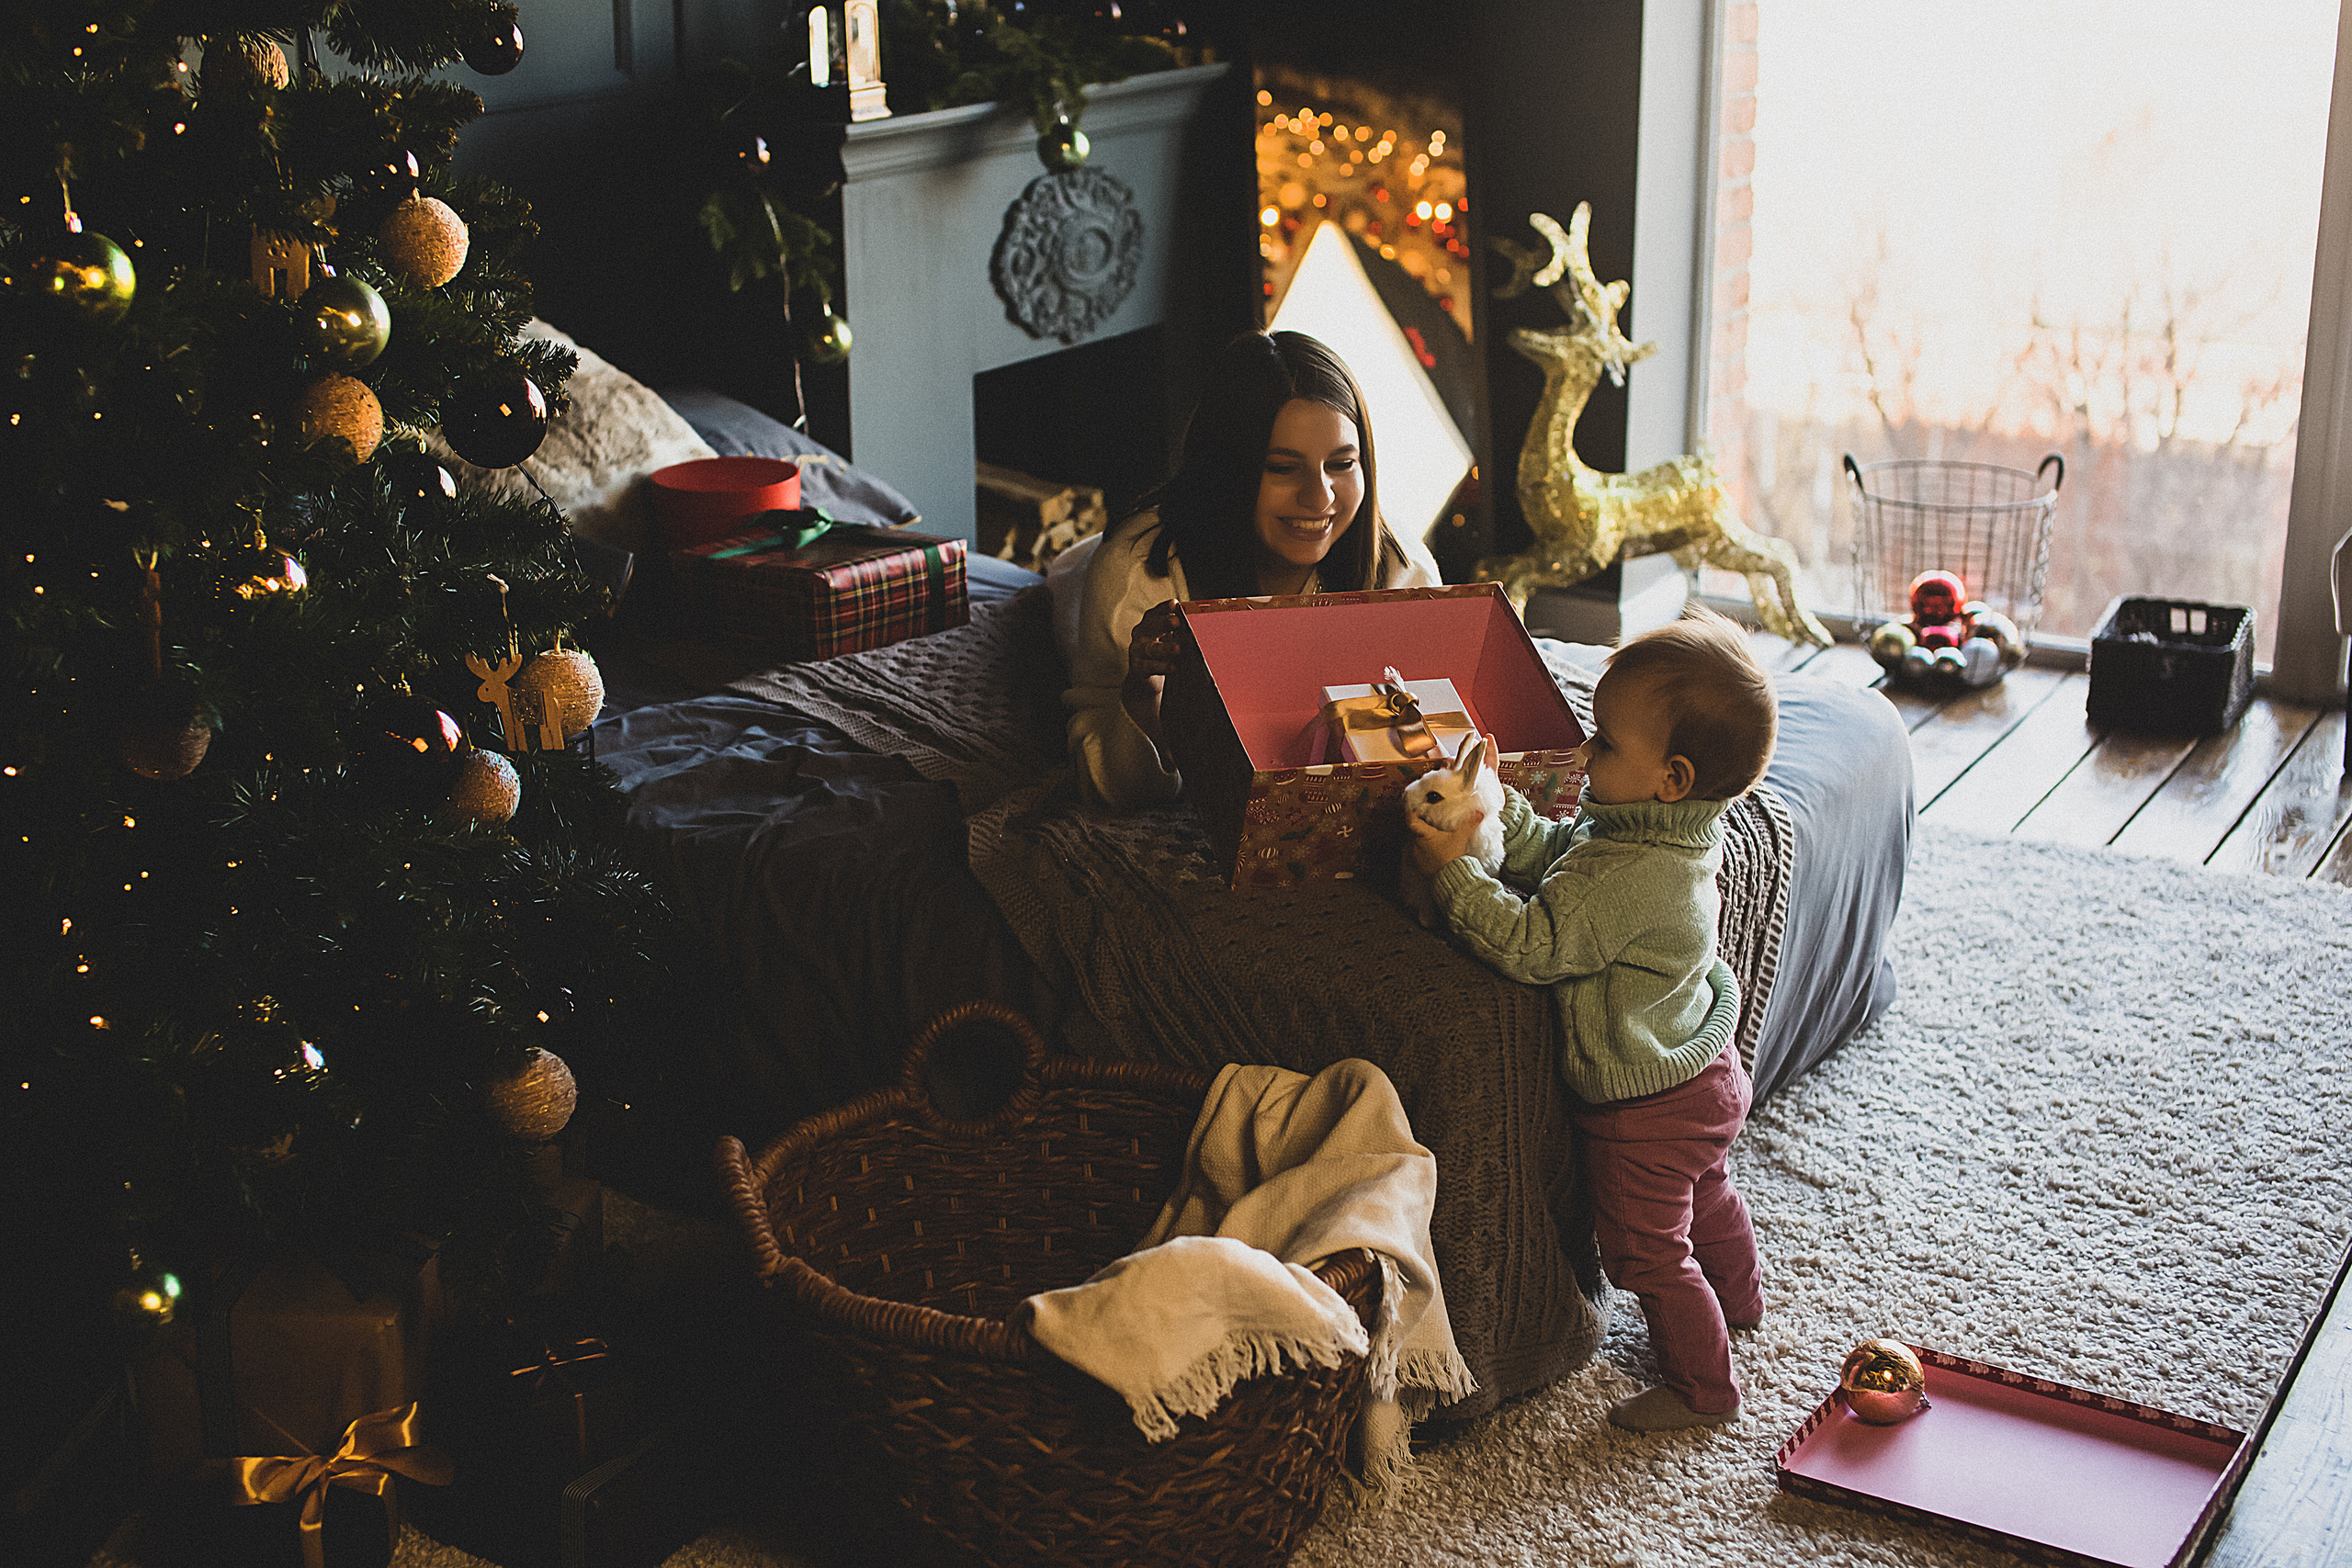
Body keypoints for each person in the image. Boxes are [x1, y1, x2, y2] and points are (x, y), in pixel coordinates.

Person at [1405, 605, 1777, 1432]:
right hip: (1703, 1074)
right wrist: (1495, 818)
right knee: (1708, 1194)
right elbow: (1566, 851)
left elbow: (1537, 942)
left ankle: (1703, 1387)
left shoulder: (1632, 876)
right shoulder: (1656, 831)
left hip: (1647, 1104)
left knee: (1646, 1248)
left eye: (1604, 743)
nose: (1583, 752)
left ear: (1672, 776)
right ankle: (1743, 1300)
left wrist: (1453, 877)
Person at [1050, 330, 1440, 810]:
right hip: (1076, 576)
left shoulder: (1402, 568)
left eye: (1341, 463)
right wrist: (1144, 698)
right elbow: (1113, 788)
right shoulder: (1138, 575)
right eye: (1282, 468)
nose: (1320, 498)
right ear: (1227, 469)